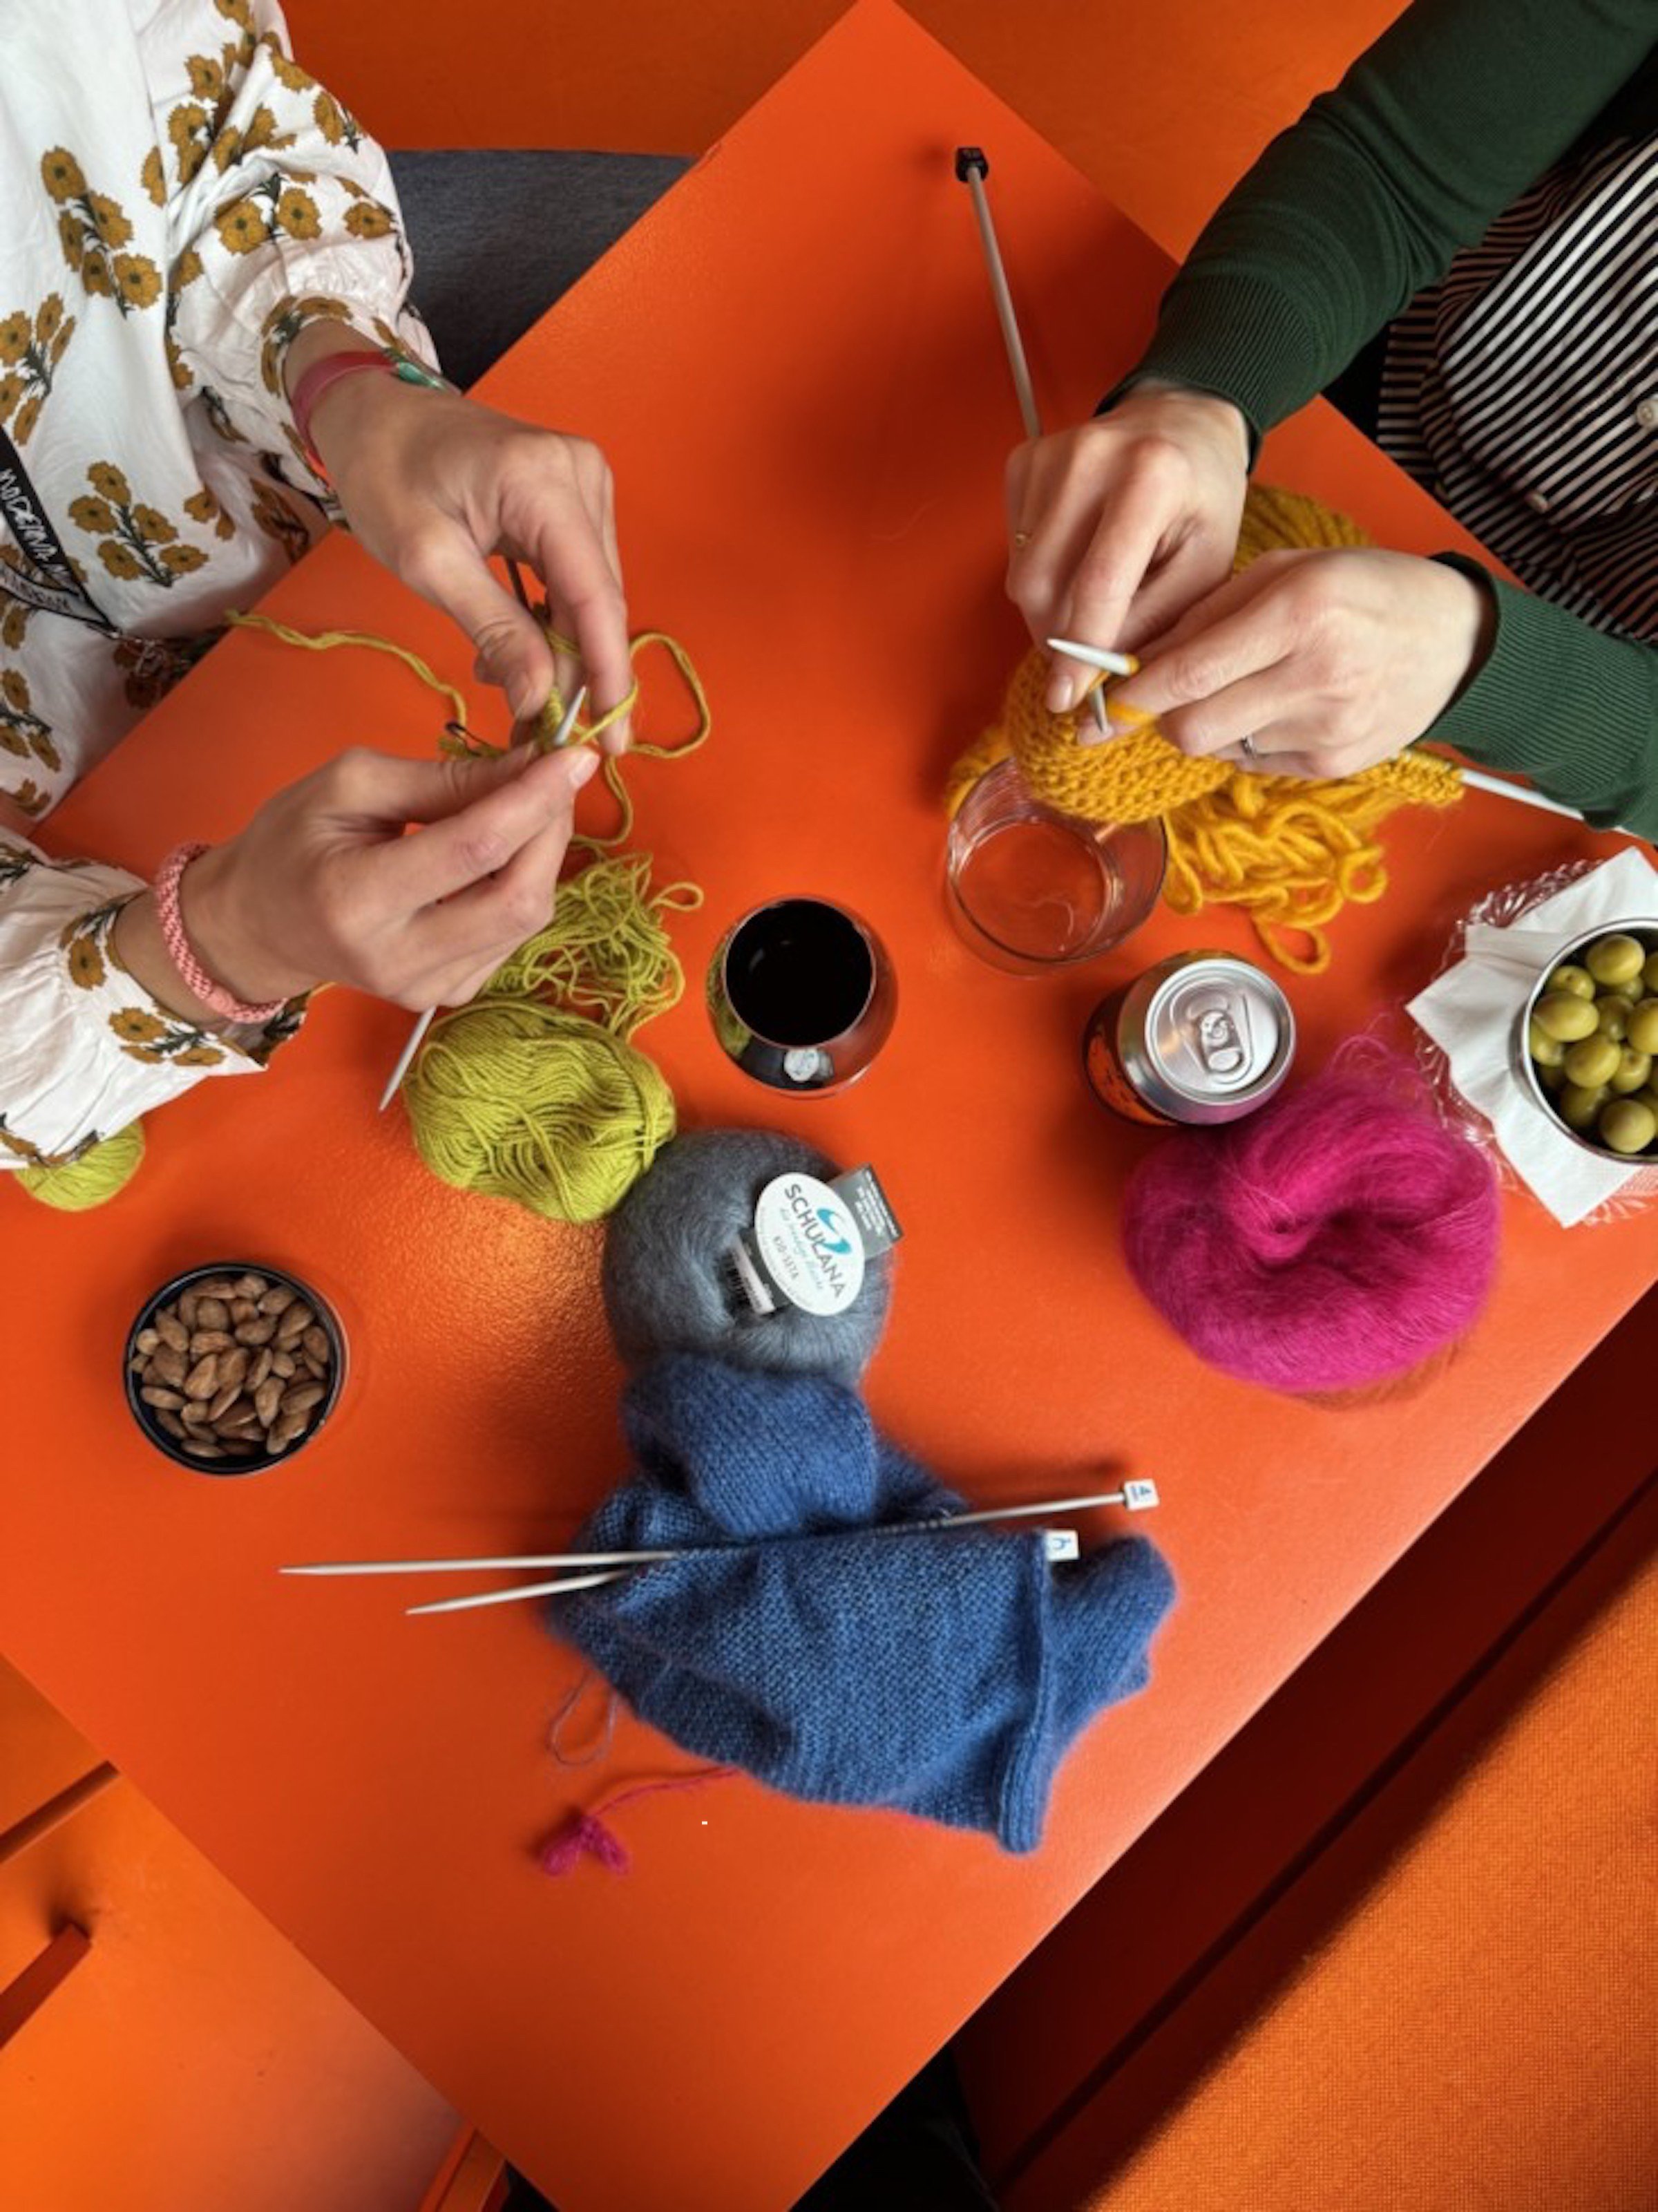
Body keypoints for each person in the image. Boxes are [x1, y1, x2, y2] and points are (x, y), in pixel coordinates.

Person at [0, 0, 633, 1175]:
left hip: (278, 475)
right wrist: (219, 944)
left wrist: (347, 382)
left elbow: (211, 120)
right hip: (68, 865)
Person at [1004, 0, 1658, 840]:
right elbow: (1391, 171)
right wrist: (1201, 394)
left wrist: (1492, 668)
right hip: (1366, 387)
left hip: (1579, 748)